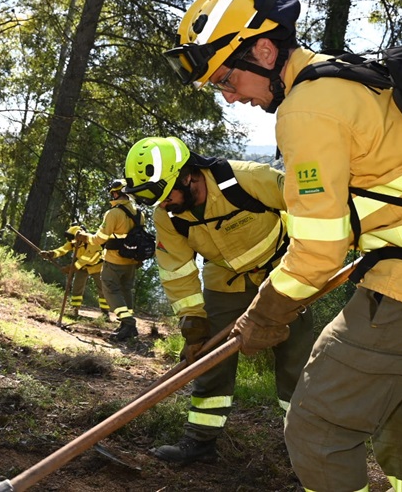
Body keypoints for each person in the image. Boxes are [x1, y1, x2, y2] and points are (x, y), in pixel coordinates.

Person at [163, 0, 402, 491]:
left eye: (227, 78)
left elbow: (318, 252)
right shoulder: (345, 76)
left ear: (264, 51)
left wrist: (266, 312)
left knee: (316, 431)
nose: (229, 96)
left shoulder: (307, 109)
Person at [122, 135, 314, 463]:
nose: (163, 205)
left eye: (167, 196)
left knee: (295, 360)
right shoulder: (167, 215)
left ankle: (304, 448)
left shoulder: (246, 179)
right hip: (225, 281)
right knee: (209, 359)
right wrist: (192, 319)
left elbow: (307, 206)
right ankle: (200, 441)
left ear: (188, 176)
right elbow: (176, 270)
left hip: (283, 276)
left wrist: (306, 265)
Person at [76, 179, 144, 342]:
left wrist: (85, 237)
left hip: (114, 260)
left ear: (116, 193)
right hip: (131, 261)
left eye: (113, 193)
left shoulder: (113, 213)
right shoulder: (139, 213)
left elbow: (99, 239)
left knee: (110, 290)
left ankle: (128, 323)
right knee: (126, 290)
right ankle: (126, 325)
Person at [40, 225, 110, 319]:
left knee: (102, 289)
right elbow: (63, 250)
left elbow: (85, 259)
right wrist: (51, 254)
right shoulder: (73, 241)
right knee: (77, 287)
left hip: (97, 267)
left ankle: (105, 312)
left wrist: (71, 268)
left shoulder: (92, 241)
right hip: (82, 267)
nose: (73, 242)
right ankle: (75, 309)